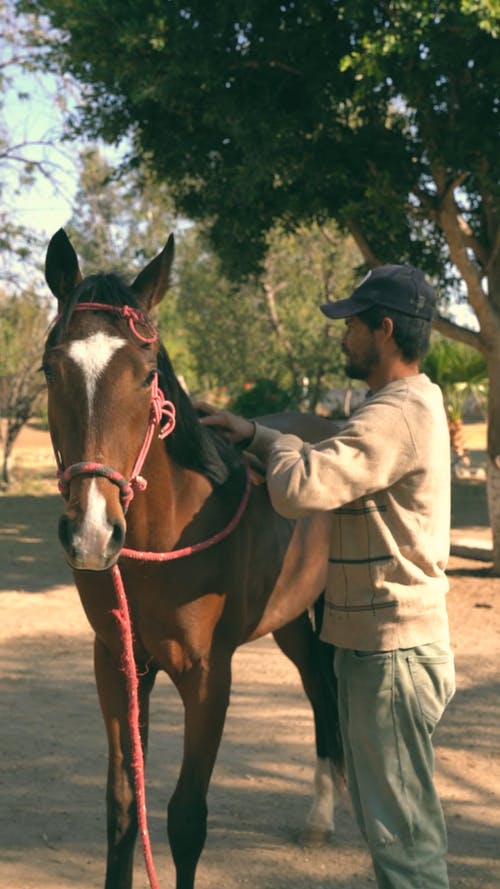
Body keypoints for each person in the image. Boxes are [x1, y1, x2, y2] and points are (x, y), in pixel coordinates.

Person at [198, 264, 455, 889]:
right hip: (381, 649)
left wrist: (276, 447)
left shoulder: (395, 414)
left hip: (391, 656)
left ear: (385, 331)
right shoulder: (405, 405)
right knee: (391, 827)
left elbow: (301, 486)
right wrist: (256, 431)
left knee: (403, 842)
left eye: (353, 326)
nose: (343, 338)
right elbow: (335, 453)